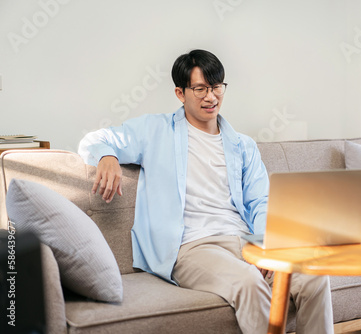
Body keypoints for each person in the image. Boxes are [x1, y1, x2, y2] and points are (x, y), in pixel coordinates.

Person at [78, 49, 334, 334]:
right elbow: (95, 138)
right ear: (180, 93)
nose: (210, 97)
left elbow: (261, 200)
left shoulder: (243, 145)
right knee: (248, 282)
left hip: (245, 241)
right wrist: (107, 156)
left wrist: (265, 246)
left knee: (313, 277)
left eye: (216, 87)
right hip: (191, 248)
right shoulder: (155, 130)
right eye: (200, 89)